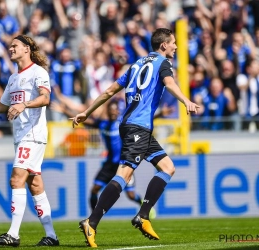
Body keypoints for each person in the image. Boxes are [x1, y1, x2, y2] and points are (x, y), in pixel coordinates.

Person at [71, 28, 199, 248]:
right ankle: (91, 222)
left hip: (134, 126)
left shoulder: (136, 64)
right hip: (137, 128)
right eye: (173, 43)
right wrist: (185, 101)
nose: (176, 47)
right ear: (163, 45)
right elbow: (169, 84)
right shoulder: (163, 63)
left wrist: (87, 112)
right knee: (124, 174)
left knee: (167, 167)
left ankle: (143, 215)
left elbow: (110, 90)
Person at [0, 35, 59, 247]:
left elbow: (45, 98)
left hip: (33, 135)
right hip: (21, 136)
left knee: (16, 180)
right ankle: (51, 235)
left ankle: (13, 235)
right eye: (10, 46)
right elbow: (1, 105)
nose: (10, 48)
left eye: (14, 46)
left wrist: (24, 105)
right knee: (34, 184)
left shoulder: (38, 72)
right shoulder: (14, 78)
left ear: (26, 48)